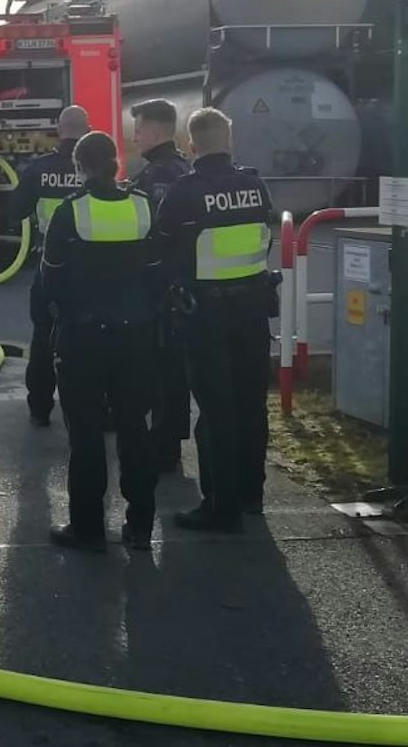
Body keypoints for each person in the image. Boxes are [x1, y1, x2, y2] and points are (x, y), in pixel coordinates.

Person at [157, 108, 275, 533]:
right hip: (253, 311)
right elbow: (267, 235)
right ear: (230, 139)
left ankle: (219, 507)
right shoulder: (255, 185)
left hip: (205, 314)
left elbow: (161, 246)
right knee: (251, 404)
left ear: (191, 146)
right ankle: (251, 496)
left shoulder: (184, 192)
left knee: (215, 409)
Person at [41, 131, 160, 552]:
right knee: (134, 429)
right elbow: (157, 271)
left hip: (84, 337)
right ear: (115, 163)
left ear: (80, 168)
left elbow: (50, 278)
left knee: (86, 434)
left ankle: (88, 528)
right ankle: (142, 526)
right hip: (136, 335)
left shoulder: (71, 212)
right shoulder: (145, 206)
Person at [7, 105, 89, 427]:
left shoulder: (38, 169)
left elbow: (16, 211)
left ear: (58, 129)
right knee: (90, 337)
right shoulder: (97, 166)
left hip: (48, 266)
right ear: (87, 129)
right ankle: (88, 407)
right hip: (91, 269)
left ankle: (40, 407)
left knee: (43, 335)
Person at [128, 98, 194, 471]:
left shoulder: (151, 178)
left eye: (138, 131)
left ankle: (164, 446)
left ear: (153, 132)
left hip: (159, 290)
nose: (135, 138)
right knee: (178, 371)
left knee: (161, 369)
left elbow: (144, 237)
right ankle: (173, 440)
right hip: (191, 288)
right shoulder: (187, 169)